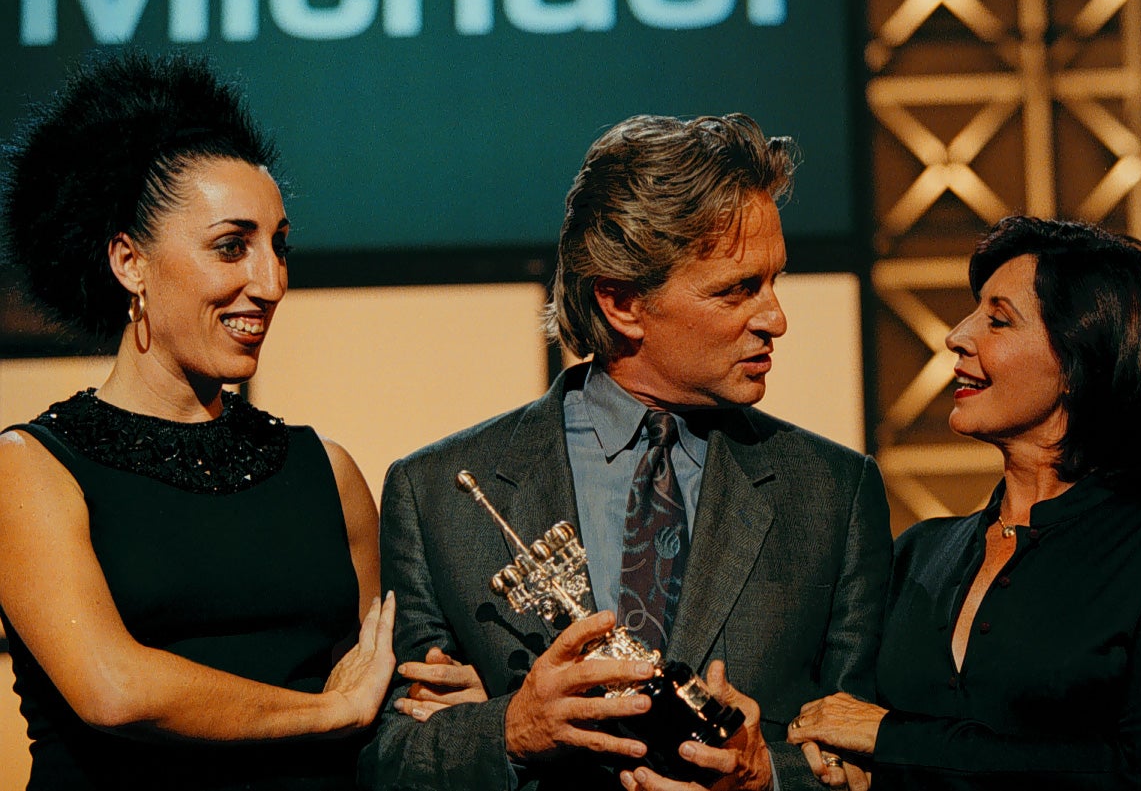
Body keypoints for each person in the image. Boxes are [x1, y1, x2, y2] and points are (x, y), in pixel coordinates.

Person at [360, 113, 893, 791]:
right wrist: (509, 730)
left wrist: (767, 775)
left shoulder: (833, 494)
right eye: (737, 289)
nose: (776, 318)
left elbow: (875, 755)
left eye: (774, 281)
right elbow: (389, 760)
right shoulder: (434, 493)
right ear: (622, 303)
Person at [0, 52, 396, 790]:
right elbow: (112, 689)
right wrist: (328, 710)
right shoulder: (31, 468)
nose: (271, 282)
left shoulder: (327, 473)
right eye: (231, 246)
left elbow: (380, 691)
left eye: (279, 245)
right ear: (130, 261)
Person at [787, 216, 1141, 790]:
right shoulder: (921, 550)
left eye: (997, 320)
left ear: (1079, 363)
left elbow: (1139, 769)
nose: (957, 335)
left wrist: (893, 738)